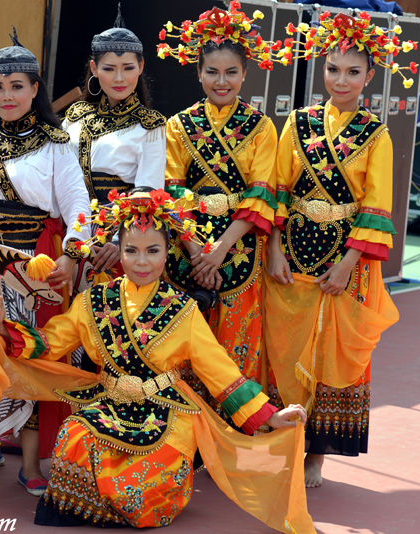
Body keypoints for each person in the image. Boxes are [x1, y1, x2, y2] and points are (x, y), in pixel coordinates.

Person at [0, 188, 314, 531]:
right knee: (72, 436)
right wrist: (3, 328)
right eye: (131, 250)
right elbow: (50, 342)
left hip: (166, 409)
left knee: (141, 495)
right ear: (119, 251)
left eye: (153, 250)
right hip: (109, 402)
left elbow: (221, 372)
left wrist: (271, 415)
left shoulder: (183, 309)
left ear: (167, 253)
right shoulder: (94, 301)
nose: (142, 261)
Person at [264, 12, 405, 488]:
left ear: (369, 76)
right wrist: (275, 249)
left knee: (331, 357)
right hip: (294, 256)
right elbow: (279, 190)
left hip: (344, 262)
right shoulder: (298, 124)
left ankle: (317, 454)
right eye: (332, 69)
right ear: (321, 70)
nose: (340, 80)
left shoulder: (376, 135)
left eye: (352, 71)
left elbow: (376, 208)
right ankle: (282, 440)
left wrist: (348, 264)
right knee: (283, 350)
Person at [0, 28, 91, 496]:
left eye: (17, 86)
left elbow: (78, 205)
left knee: (28, 355)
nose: (6, 95)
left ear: (35, 90)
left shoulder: (57, 143)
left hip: (32, 267)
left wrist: (71, 257)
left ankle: (31, 462)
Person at [158, 2, 282, 425]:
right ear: (198, 73)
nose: (221, 81)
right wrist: (197, 252)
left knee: (235, 340)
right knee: (183, 337)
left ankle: (231, 428)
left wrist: (218, 251)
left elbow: (260, 195)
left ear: (245, 74)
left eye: (231, 72)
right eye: (212, 72)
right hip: (186, 243)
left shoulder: (263, 127)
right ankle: (182, 431)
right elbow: (171, 192)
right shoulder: (178, 125)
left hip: (238, 245)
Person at [62, 4, 166, 276]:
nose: (119, 78)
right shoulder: (75, 117)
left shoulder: (150, 125)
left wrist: (119, 239)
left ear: (141, 67)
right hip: (66, 230)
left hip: (117, 240)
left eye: (128, 68)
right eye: (109, 68)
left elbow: (148, 190)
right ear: (94, 69)